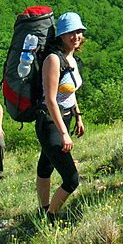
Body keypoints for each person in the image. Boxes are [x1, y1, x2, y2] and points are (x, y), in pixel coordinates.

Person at [36, 12, 86, 222]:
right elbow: (51, 99)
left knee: (45, 166)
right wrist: (64, 134)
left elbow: (69, 91)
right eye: (70, 32)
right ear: (61, 36)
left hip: (64, 118)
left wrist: (78, 116)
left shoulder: (72, 58)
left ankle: (43, 209)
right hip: (49, 122)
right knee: (71, 179)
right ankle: (51, 216)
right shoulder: (53, 60)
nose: (76, 36)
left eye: (78, 32)